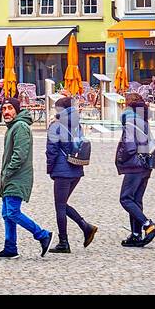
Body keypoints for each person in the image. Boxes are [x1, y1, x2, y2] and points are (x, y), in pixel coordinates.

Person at [0, 97, 52, 259]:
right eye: (4, 109)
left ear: (17, 110)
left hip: (17, 177)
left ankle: (42, 234)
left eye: (10, 108)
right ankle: (10, 247)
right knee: (6, 213)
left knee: (12, 212)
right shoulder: (13, 126)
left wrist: (8, 172)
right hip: (10, 177)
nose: (6, 112)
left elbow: (19, 155)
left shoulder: (20, 127)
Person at [45, 96, 96, 253]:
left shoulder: (56, 126)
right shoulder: (76, 124)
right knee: (63, 204)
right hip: (77, 168)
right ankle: (85, 227)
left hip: (62, 170)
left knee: (60, 206)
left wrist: (50, 168)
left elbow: (52, 151)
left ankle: (64, 242)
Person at [115, 92, 155, 247]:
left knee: (126, 198)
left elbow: (129, 146)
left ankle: (148, 225)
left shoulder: (129, 120)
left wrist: (121, 158)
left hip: (134, 165)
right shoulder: (143, 119)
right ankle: (135, 234)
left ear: (128, 105)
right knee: (136, 200)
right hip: (146, 164)